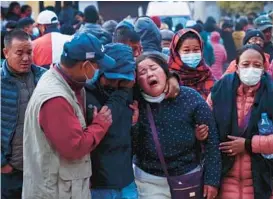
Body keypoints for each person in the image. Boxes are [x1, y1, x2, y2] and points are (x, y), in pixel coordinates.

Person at [23, 33, 116, 199]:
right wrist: (100, 125)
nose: (99, 71)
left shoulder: (65, 81)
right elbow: (75, 147)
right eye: (97, 66)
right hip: (57, 191)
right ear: (85, 65)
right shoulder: (56, 99)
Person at [133, 52, 221, 199]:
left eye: (153, 68)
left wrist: (212, 180)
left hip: (188, 178)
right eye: (142, 72)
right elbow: (129, 145)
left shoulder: (190, 98)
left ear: (165, 71)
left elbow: (212, 142)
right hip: (149, 181)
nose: (149, 74)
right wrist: (133, 123)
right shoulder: (135, 103)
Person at [207, 44, 273, 199]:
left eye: (257, 65)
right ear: (236, 67)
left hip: (262, 181)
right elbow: (207, 127)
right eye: (245, 64)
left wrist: (248, 144)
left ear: (264, 68)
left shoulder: (271, 94)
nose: (251, 69)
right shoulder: (219, 91)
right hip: (224, 180)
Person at [85, 43, 138, 199]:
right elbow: (108, 118)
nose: (115, 84)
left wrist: (134, 124)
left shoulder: (131, 89)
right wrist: (123, 91)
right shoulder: (86, 93)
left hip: (127, 180)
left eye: (121, 80)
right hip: (99, 183)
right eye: (111, 78)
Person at [1, 29, 46, 199]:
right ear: (6, 52)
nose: (26, 58)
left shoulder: (43, 77)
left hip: (39, 167)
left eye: (29, 52)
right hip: (10, 169)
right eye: (19, 53)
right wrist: (2, 164)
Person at [168, 28, 216, 100]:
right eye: (186, 50)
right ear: (176, 53)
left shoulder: (207, 74)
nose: (192, 54)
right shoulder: (168, 77)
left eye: (196, 50)